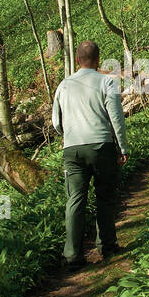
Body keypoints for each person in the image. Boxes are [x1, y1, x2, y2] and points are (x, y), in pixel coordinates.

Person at [51, 41, 128, 269]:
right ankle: (106, 245)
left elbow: (56, 122)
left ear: (77, 61)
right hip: (101, 146)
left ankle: (72, 256)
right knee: (104, 196)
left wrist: (69, 136)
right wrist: (122, 147)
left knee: (75, 199)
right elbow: (116, 118)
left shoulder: (64, 85)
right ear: (98, 60)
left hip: (72, 149)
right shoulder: (106, 81)